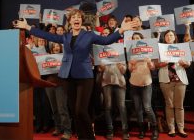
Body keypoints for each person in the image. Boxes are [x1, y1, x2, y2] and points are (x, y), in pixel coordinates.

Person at [13, 9, 136, 140]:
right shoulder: (65, 36)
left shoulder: (89, 35)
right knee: (74, 112)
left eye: (79, 17)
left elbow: (106, 41)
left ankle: (89, 137)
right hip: (67, 77)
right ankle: (81, 136)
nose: (76, 19)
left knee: (81, 110)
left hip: (84, 77)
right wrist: (26, 27)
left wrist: (121, 30)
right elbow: (48, 36)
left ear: (81, 21)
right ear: (70, 21)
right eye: (74, 17)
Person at [155, 30, 190, 138]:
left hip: (180, 79)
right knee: (169, 105)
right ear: (164, 38)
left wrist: (184, 63)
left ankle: (181, 128)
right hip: (166, 79)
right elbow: (155, 65)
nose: (169, 37)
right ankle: (171, 129)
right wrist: (162, 63)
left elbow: (188, 64)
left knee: (179, 106)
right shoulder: (160, 49)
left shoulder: (182, 47)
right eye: (167, 35)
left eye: (171, 35)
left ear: (175, 37)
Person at [98, 27, 129, 140]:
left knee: (122, 107)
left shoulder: (119, 49)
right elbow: (99, 70)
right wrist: (100, 67)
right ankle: (110, 130)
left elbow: (124, 70)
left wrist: (120, 66)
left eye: (107, 34)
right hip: (106, 82)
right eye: (103, 34)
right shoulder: (99, 50)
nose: (105, 35)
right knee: (108, 107)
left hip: (119, 82)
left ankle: (125, 131)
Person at [128, 32, 158, 140]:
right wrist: (131, 64)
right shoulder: (130, 52)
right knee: (138, 109)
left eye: (137, 38)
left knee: (147, 108)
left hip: (146, 82)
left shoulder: (148, 51)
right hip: (134, 83)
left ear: (142, 39)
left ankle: (155, 129)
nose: (135, 39)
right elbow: (130, 70)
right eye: (134, 38)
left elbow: (153, 68)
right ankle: (141, 130)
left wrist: (149, 62)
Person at [45, 42, 72, 139]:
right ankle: (58, 127)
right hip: (49, 84)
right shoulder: (45, 58)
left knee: (62, 108)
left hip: (61, 85)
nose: (56, 47)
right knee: (54, 109)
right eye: (54, 46)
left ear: (60, 48)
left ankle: (67, 130)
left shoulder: (64, 58)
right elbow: (42, 73)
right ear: (51, 49)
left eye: (57, 46)